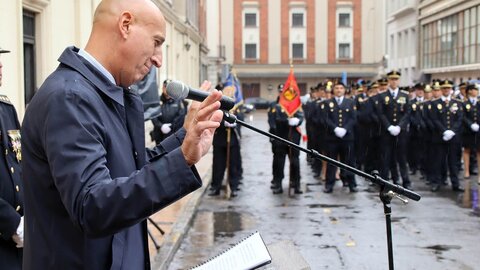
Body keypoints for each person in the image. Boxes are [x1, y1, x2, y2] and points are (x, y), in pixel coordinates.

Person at [20, 1, 224, 269]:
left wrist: (184, 140)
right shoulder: (70, 97)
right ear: (125, 25)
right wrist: (181, 159)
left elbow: (127, 170)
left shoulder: (105, 92)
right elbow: (92, 206)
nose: (159, 59)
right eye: (157, 42)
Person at [0, 47, 24, 270]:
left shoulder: (6, 109)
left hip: (18, 241)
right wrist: (12, 223)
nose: (0, 66)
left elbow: (19, 164)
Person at [376, 70, 412, 189]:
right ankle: (384, 182)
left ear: (399, 80)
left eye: (396, 79)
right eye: (392, 79)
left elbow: (407, 113)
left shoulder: (405, 95)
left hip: (400, 133)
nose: (394, 81)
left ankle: (406, 182)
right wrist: (389, 126)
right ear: (388, 81)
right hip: (387, 132)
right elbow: (381, 114)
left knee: (402, 158)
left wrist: (399, 126)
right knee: (386, 157)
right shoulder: (382, 96)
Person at [268, 84, 304, 194]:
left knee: (295, 162)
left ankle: (296, 184)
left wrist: (297, 121)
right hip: (280, 136)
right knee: (279, 162)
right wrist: (284, 123)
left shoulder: (295, 104)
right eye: (281, 92)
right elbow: (272, 122)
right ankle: (278, 184)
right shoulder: (275, 106)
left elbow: (301, 116)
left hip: (293, 137)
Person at [429, 80, 464, 192]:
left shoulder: (457, 102)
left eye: (448, 88)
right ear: (441, 90)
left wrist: (452, 131)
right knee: (438, 161)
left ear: (451, 89)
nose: (446, 90)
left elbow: (459, 119)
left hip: (453, 137)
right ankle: (436, 182)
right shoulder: (435, 103)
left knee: (453, 162)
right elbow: (434, 119)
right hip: (440, 136)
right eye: (444, 88)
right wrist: (444, 131)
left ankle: (455, 183)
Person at [323, 81, 357, 193]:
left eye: (341, 88)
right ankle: (329, 184)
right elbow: (326, 118)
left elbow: (353, 118)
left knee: (349, 161)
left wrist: (345, 129)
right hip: (332, 138)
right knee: (332, 161)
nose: (338, 90)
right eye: (336, 88)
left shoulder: (350, 102)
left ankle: (351, 183)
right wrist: (335, 129)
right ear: (333, 90)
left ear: (344, 90)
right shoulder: (328, 103)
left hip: (347, 137)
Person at [208, 83, 242, 197]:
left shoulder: (236, 106)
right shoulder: (218, 105)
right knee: (218, 165)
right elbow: (213, 118)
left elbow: (241, 120)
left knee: (233, 165)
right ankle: (215, 187)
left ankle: (234, 187)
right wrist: (223, 123)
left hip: (232, 140)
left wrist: (235, 124)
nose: (230, 94)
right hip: (219, 139)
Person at [150, 79, 187, 144]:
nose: (167, 90)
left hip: (174, 135)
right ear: (162, 88)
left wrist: (171, 126)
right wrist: (161, 126)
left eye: (169, 87)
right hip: (160, 135)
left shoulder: (179, 100)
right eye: (165, 87)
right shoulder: (157, 101)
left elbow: (181, 115)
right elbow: (153, 115)